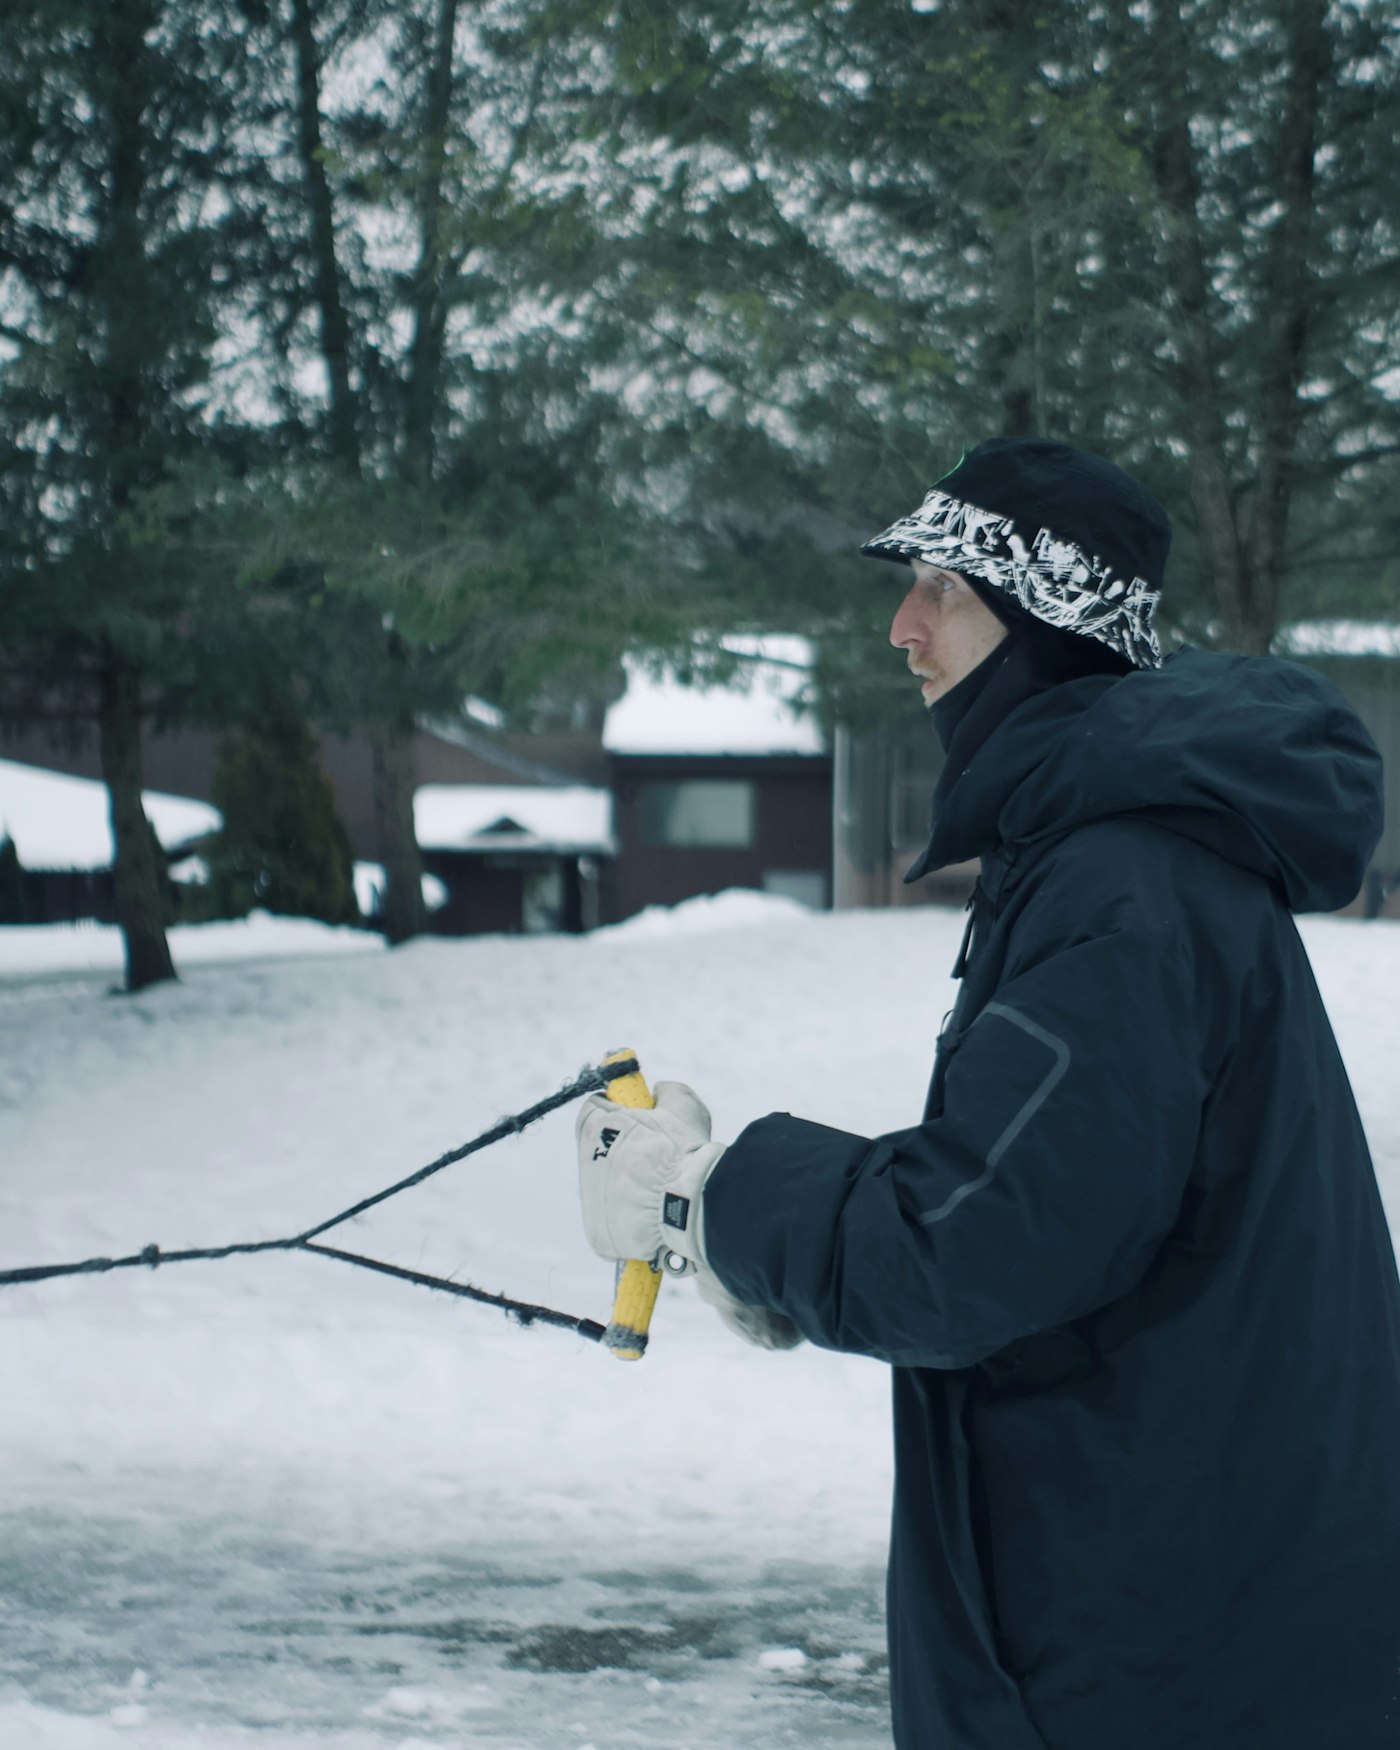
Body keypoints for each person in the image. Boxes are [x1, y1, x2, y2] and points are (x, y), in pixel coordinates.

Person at [575, 437, 1400, 1749]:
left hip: (1159, 1655)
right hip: (1173, 1607)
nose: (902, 627)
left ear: (1043, 625)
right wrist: (753, 1249)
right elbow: (1047, 1203)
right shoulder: (1108, 851)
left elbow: (972, 1244)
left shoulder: (1127, 886)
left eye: (943, 590)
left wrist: (712, 1198)